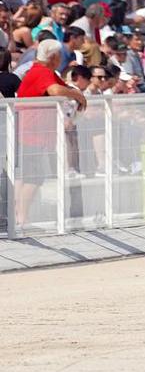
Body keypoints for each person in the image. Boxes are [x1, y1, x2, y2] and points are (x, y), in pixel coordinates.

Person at [13, 39, 86, 232]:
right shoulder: (41, 72)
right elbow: (54, 90)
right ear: (53, 57)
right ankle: (21, 219)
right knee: (34, 177)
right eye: (59, 55)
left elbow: (63, 87)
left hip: (32, 133)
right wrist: (77, 96)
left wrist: (73, 93)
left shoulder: (46, 72)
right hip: (30, 133)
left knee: (29, 176)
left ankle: (19, 218)